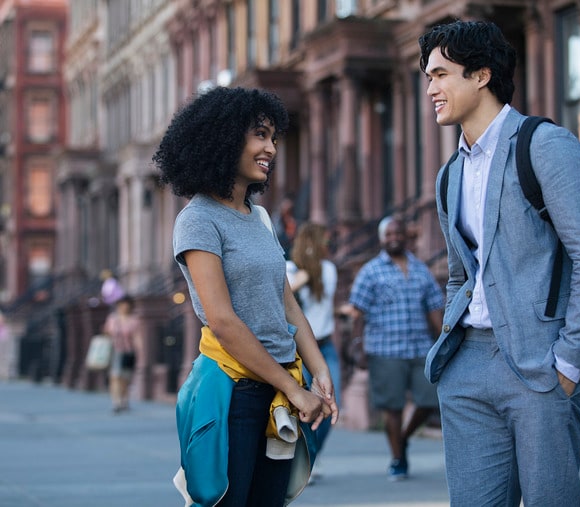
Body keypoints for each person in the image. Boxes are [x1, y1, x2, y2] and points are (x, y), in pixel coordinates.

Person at [418, 20, 580, 506]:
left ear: (481, 75)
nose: (431, 89)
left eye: (441, 74)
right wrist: (453, 357)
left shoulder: (545, 146)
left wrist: (570, 362)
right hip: (466, 366)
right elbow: (458, 273)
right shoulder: (449, 174)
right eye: (428, 77)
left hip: (541, 366)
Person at [153, 85, 338, 507]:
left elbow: (286, 301)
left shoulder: (259, 217)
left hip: (278, 391)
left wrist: (319, 371)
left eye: (272, 137)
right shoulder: (197, 220)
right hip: (233, 391)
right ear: (222, 138)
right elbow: (222, 320)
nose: (270, 148)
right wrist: (293, 391)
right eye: (259, 134)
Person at [340, 216, 444, 481]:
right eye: (389, 234)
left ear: (405, 237)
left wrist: (444, 341)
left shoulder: (421, 269)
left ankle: (404, 438)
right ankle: (398, 459)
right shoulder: (370, 271)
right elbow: (358, 313)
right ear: (382, 238)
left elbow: (434, 309)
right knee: (392, 406)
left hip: (420, 347)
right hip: (384, 350)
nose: (394, 237)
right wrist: (358, 348)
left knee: (430, 398)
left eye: (398, 233)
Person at [285, 222, 340, 481]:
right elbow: (284, 303)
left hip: (325, 346)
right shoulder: (288, 270)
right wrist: (300, 280)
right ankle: (304, 460)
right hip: (300, 351)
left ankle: (311, 454)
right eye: (324, 242)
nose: (326, 248)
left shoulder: (329, 270)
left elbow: (323, 306)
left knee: (330, 403)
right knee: (305, 405)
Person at [102, 294, 141, 413]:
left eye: (126, 305)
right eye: (122, 305)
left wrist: (139, 351)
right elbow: (106, 333)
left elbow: (137, 337)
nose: (124, 307)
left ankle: (124, 400)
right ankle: (116, 402)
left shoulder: (134, 320)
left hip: (128, 352)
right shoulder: (112, 319)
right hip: (114, 351)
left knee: (125, 378)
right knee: (115, 377)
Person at [273, 193, 297, 259]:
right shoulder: (278, 218)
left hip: (292, 248)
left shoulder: (294, 218)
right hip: (281, 248)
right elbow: (277, 234)